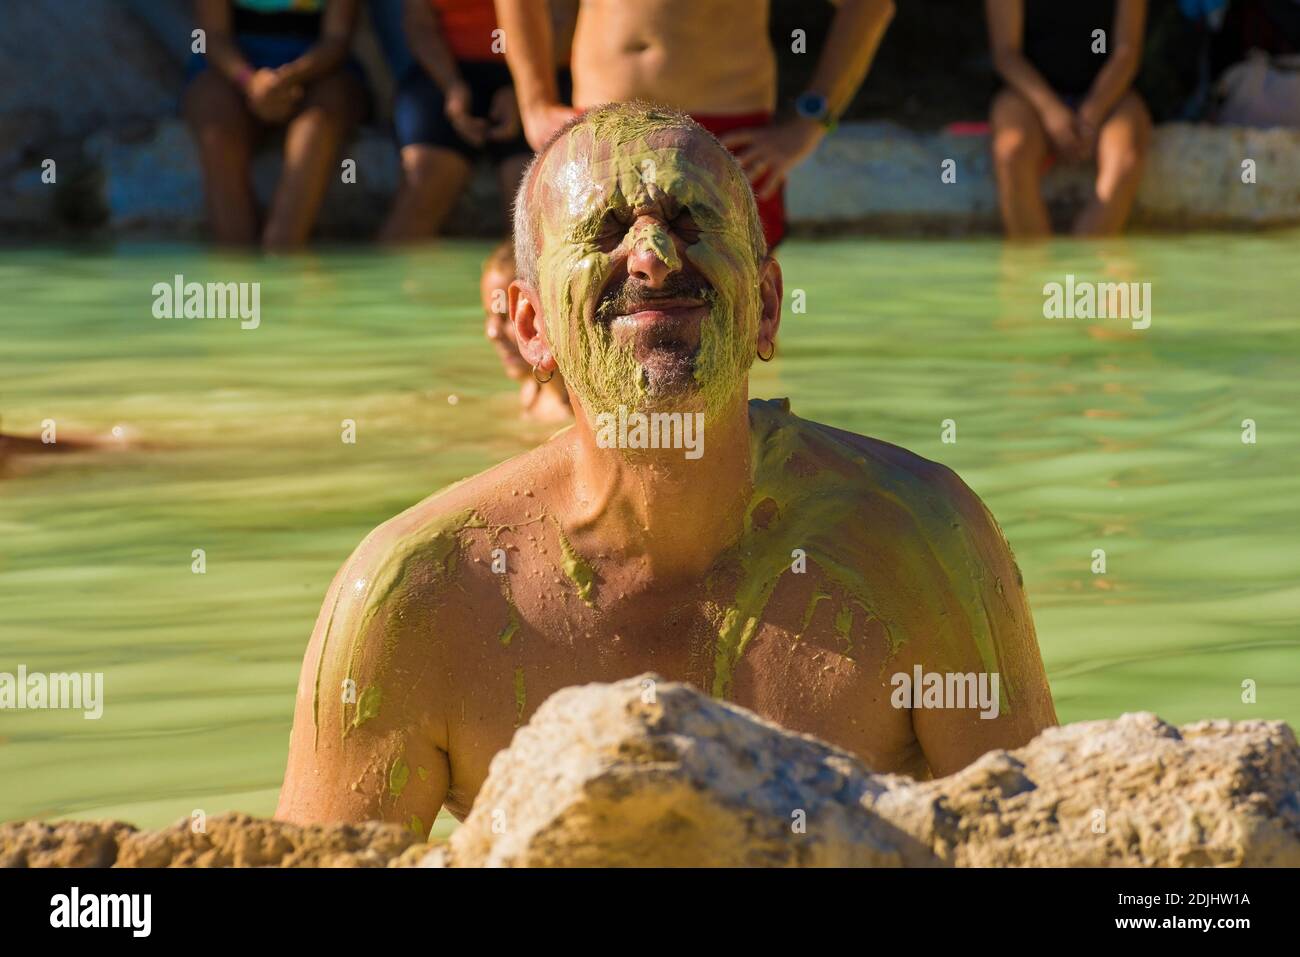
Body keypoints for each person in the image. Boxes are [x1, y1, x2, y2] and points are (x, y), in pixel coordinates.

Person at [276, 103, 1058, 828]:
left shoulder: (922, 542)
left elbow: (1039, 847)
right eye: (606, 230)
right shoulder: (416, 597)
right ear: (529, 328)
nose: (651, 257)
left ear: (768, 306)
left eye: (690, 221)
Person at [493, 0, 896, 252]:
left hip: (724, 131)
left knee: (738, 332)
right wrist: (534, 103)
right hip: (601, 129)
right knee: (587, 323)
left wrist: (810, 120)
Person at [379, 0, 575, 240]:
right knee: (422, 184)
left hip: (541, 70)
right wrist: (453, 87)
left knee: (530, 207)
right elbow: (419, 25)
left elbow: (565, 19)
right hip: (450, 69)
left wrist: (526, 94)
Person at [184, 0, 368, 249]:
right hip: (232, 68)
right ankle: (235, 262)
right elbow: (211, 36)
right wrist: (250, 82)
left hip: (319, 68)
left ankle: (283, 247)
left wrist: (289, 77)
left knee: (316, 127)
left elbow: (337, 39)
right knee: (215, 124)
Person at [987, 0, 1153, 238]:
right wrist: (1050, 110)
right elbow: (1005, 53)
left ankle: (1082, 264)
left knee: (1125, 159)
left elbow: (1127, 52)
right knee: (1011, 151)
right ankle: (1030, 267)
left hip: (1109, 93)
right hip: (1029, 94)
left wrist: (1092, 112)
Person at [480, 240, 571, 419]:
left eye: (507, 316)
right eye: (488, 316)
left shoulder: (580, 419)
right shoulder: (530, 391)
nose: (492, 333)